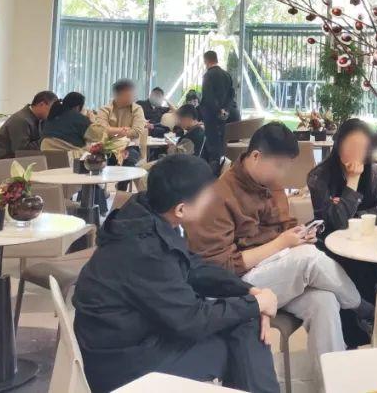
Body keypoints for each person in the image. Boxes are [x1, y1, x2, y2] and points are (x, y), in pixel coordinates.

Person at [73, 154, 280, 393]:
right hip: (123, 365)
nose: (212, 201)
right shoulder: (146, 249)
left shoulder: (146, 213)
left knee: (245, 326)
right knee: (243, 342)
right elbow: (193, 320)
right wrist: (255, 305)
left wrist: (249, 292)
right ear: (181, 209)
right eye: (207, 196)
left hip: (136, 337)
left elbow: (193, 267)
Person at [186, 123, 363, 368]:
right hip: (235, 287)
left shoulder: (270, 184)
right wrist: (281, 243)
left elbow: (284, 225)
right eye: (279, 165)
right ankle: (363, 308)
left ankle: (332, 381)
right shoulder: (218, 196)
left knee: (325, 301)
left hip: (275, 274)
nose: (282, 174)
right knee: (307, 258)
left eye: (286, 166)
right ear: (256, 156)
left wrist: (298, 235)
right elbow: (219, 267)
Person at [307, 118, 377, 304]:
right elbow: (337, 223)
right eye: (350, 146)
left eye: (361, 147)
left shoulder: (374, 173)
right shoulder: (319, 177)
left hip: (367, 244)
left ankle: (376, 312)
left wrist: (358, 215)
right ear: (338, 144)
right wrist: (352, 180)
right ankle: (358, 312)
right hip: (331, 246)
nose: (355, 153)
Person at [90, 78, 147, 167]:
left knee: (128, 160)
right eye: (130, 93)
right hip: (108, 147)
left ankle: (121, 177)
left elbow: (136, 132)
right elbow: (101, 130)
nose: (134, 95)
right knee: (95, 160)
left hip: (130, 146)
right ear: (119, 94)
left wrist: (111, 131)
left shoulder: (137, 109)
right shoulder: (105, 109)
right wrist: (123, 130)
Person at [200, 50, 240, 171]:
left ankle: (213, 172)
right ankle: (224, 170)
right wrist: (225, 109)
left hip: (212, 117)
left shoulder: (208, 76)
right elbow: (231, 94)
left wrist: (218, 110)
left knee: (213, 147)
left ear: (206, 61)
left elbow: (208, 97)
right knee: (222, 145)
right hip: (227, 115)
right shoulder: (226, 75)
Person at [0, 90, 57, 159]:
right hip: (7, 162)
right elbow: (22, 152)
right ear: (41, 104)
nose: (53, 112)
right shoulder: (21, 120)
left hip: (24, 160)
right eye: (52, 108)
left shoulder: (40, 119)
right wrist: (46, 140)